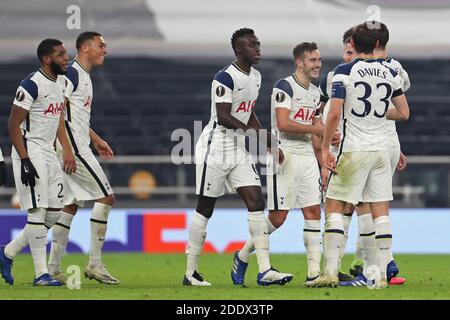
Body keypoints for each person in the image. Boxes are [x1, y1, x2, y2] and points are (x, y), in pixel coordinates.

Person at [184, 28, 292, 286]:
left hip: (238, 149)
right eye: (252, 45)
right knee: (205, 208)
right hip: (216, 147)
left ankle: (264, 270)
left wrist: (266, 139)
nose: (258, 48)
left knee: (256, 202)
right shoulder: (224, 77)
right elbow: (223, 116)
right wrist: (254, 135)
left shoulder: (256, 77)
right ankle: (191, 272)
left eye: (258, 44)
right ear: (238, 50)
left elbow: (247, 113)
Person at [232, 42, 335, 287]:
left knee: (312, 212)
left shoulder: (315, 92)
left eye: (319, 60)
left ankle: (313, 274)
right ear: (299, 62)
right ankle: (243, 254)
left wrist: (323, 154)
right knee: (278, 218)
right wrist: (317, 128)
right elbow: (284, 123)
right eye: (313, 60)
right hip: (284, 155)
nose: (318, 64)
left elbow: (316, 129)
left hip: (307, 157)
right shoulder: (284, 86)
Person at [317, 21, 410, 288]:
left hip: (355, 148)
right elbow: (403, 113)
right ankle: (380, 275)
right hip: (383, 148)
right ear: (377, 45)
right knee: (380, 209)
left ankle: (331, 272)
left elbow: (334, 113)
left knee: (334, 204)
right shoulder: (390, 72)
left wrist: (324, 147)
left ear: (354, 45)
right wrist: (376, 113)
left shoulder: (344, 72)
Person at [47, 31, 118, 285]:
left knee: (70, 205)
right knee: (106, 197)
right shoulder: (73, 74)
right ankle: (95, 265)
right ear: (85, 48)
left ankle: (53, 268)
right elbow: (57, 112)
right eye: (101, 45)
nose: (105, 50)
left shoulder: (83, 76)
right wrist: (67, 149)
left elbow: (76, 116)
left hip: (76, 143)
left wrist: (97, 139)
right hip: (73, 147)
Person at [0, 38, 70, 286]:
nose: (66, 57)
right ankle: (41, 274)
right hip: (31, 153)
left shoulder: (61, 81)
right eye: (61, 54)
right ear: (47, 59)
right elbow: (12, 124)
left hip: (50, 154)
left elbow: (59, 116)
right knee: (37, 213)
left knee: (53, 215)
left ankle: (7, 252)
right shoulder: (31, 85)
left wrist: (66, 150)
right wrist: (25, 160)